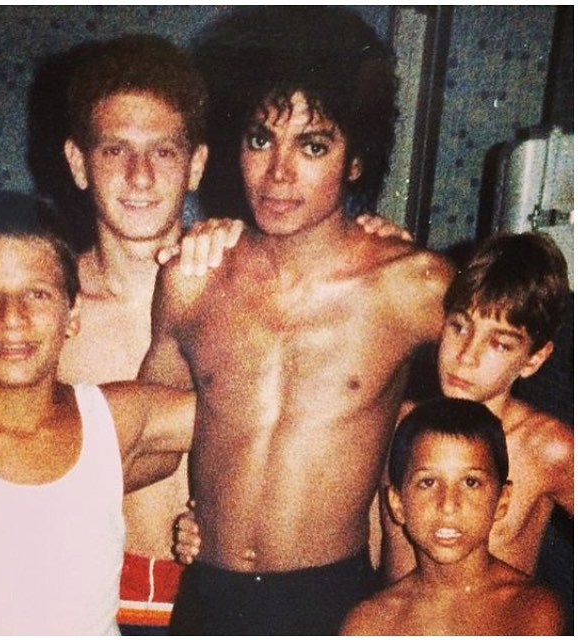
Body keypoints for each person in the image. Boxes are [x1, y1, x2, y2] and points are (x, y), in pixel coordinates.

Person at [139, 7, 454, 635]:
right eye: (261, 139)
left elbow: (495, 420)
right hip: (207, 595)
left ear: (356, 160)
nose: (279, 173)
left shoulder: (414, 286)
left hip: (330, 600)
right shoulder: (192, 279)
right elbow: (144, 442)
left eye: (313, 146)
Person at [0, 192, 197, 635]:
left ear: (72, 313)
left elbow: (259, 416)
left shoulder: (111, 418)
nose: (12, 317)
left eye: (37, 294)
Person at [58, 34, 242, 631]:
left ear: (196, 166)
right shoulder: (43, 316)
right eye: (116, 150)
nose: (139, 176)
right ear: (79, 164)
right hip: (88, 600)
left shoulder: (250, 292)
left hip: (225, 595)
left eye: (163, 151)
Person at [380, 232, 573, 584]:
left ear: (533, 359)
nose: (467, 356)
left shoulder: (545, 447)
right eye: (459, 327)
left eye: (499, 344)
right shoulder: (394, 424)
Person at [341, 398, 565, 636]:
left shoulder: (533, 611)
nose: (448, 505)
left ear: (502, 500)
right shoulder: (369, 625)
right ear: (398, 504)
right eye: (428, 482)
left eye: (471, 482)